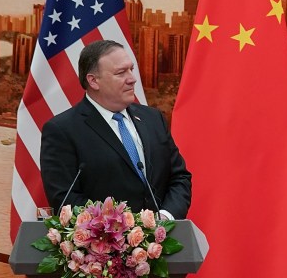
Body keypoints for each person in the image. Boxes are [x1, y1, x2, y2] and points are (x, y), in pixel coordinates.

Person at [40, 39, 192, 219]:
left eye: (131, 69)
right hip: (106, 243)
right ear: (94, 81)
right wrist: (124, 230)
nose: (132, 79)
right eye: (121, 73)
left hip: (163, 240)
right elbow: (65, 200)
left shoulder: (153, 118)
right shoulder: (62, 130)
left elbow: (179, 178)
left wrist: (165, 218)